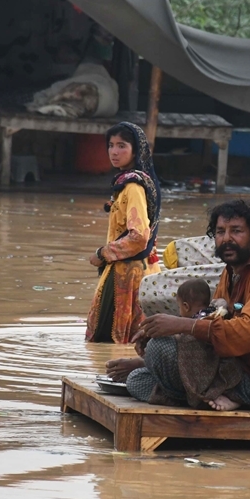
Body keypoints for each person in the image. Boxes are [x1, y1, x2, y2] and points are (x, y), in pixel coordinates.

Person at [108, 200, 250, 412]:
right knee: (137, 379)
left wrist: (181, 326)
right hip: (227, 370)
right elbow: (209, 322)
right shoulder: (231, 272)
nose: (227, 239)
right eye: (220, 232)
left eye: (236, 231)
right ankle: (203, 395)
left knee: (159, 348)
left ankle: (249, 397)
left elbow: (249, 333)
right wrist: (151, 350)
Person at [85, 122, 161, 344]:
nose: (114, 152)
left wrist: (102, 254)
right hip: (137, 269)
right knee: (132, 341)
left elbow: (139, 237)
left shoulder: (133, 187)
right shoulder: (128, 183)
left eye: (122, 146)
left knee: (110, 341)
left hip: (127, 275)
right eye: (110, 145)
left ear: (136, 150)